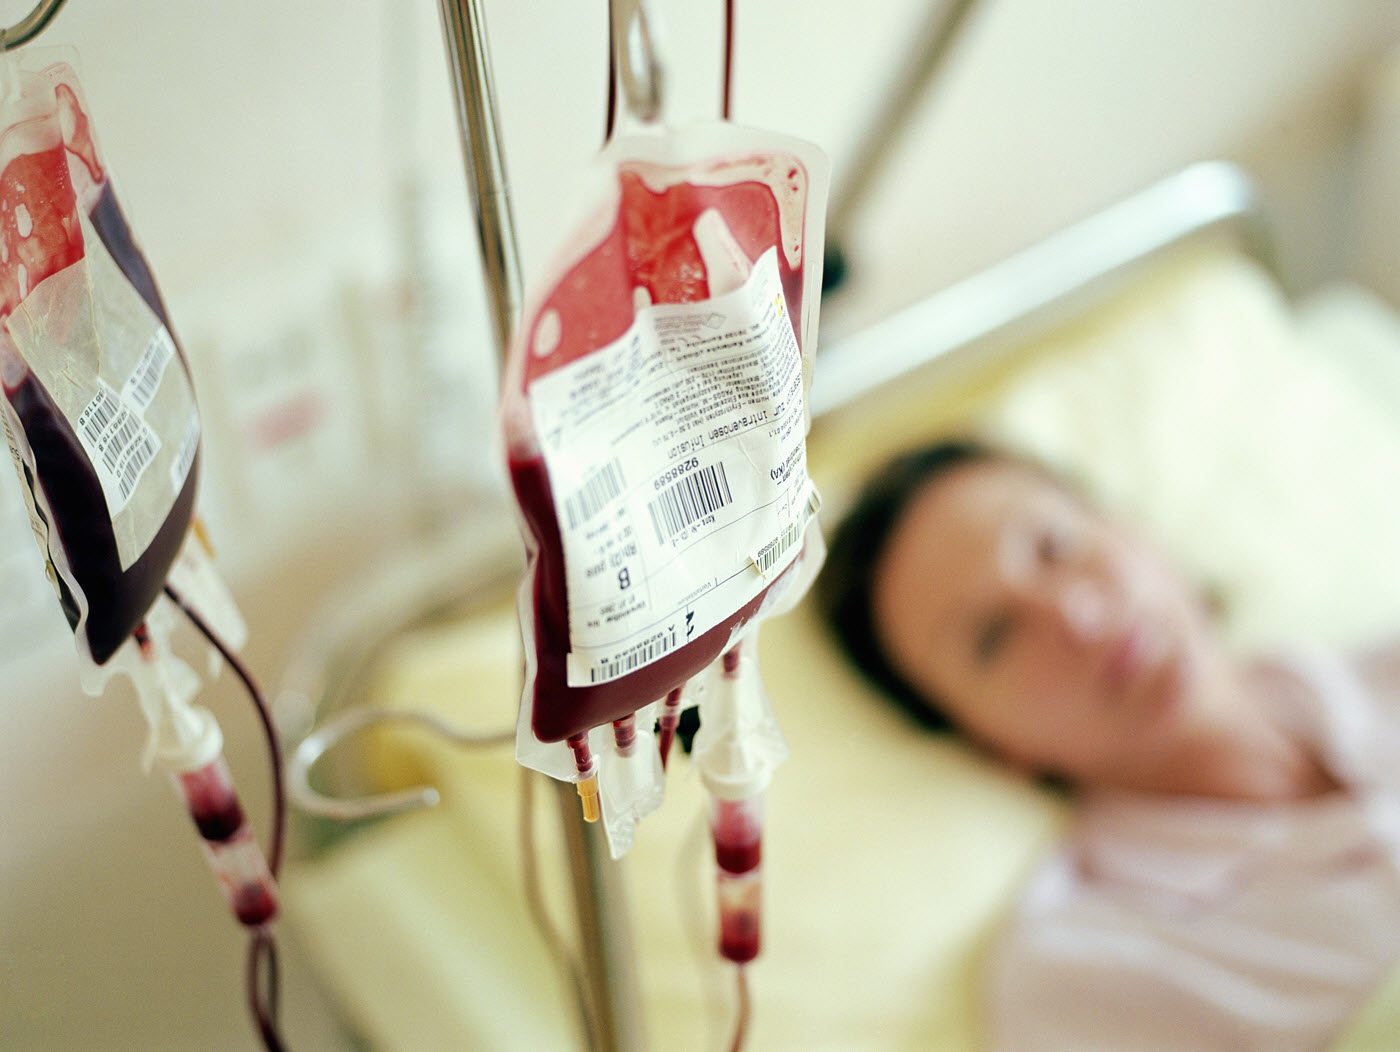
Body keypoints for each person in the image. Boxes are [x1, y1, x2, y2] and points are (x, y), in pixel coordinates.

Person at [815, 437, 1400, 1050]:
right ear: (991, 746)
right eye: (994, 637)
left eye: (1054, 545)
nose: (1076, 615)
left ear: (1128, 526)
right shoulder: (1082, 975)